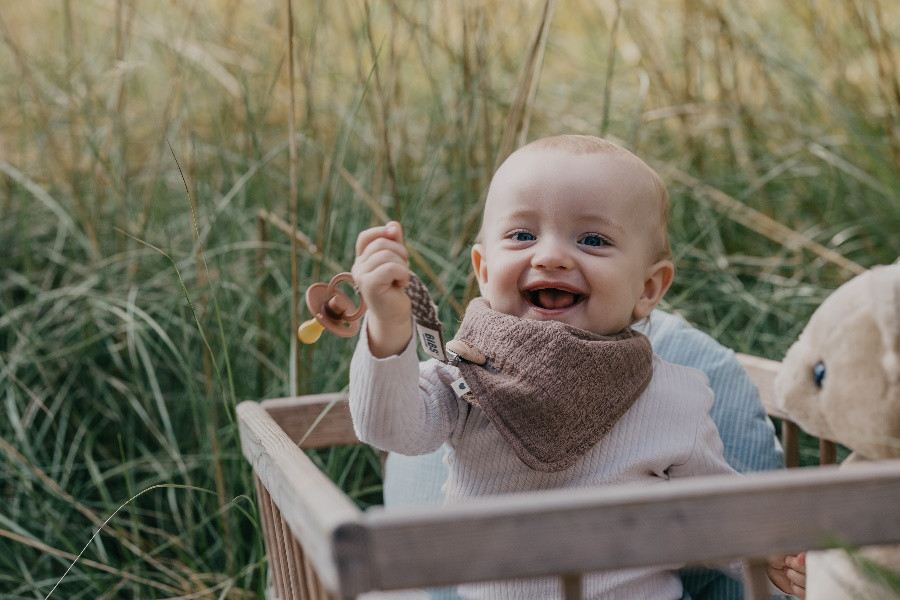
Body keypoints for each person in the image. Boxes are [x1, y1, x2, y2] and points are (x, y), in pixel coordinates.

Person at [349, 135, 805, 599]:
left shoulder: (673, 396)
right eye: (522, 235)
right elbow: (389, 428)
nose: (550, 256)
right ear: (484, 271)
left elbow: (712, 513)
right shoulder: (466, 373)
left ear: (648, 288)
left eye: (593, 239)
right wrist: (388, 328)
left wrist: (768, 552)